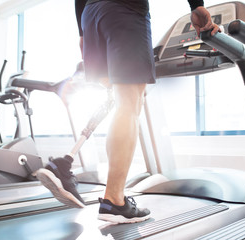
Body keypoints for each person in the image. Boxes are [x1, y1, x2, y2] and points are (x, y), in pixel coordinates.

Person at [37, 0, 220, 224]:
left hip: (90, 14)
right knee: (129, 103)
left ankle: (63, 166)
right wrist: (197, 6)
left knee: (119, 99)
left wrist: (82, 31)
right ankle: (114, 200)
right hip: (125, 10)